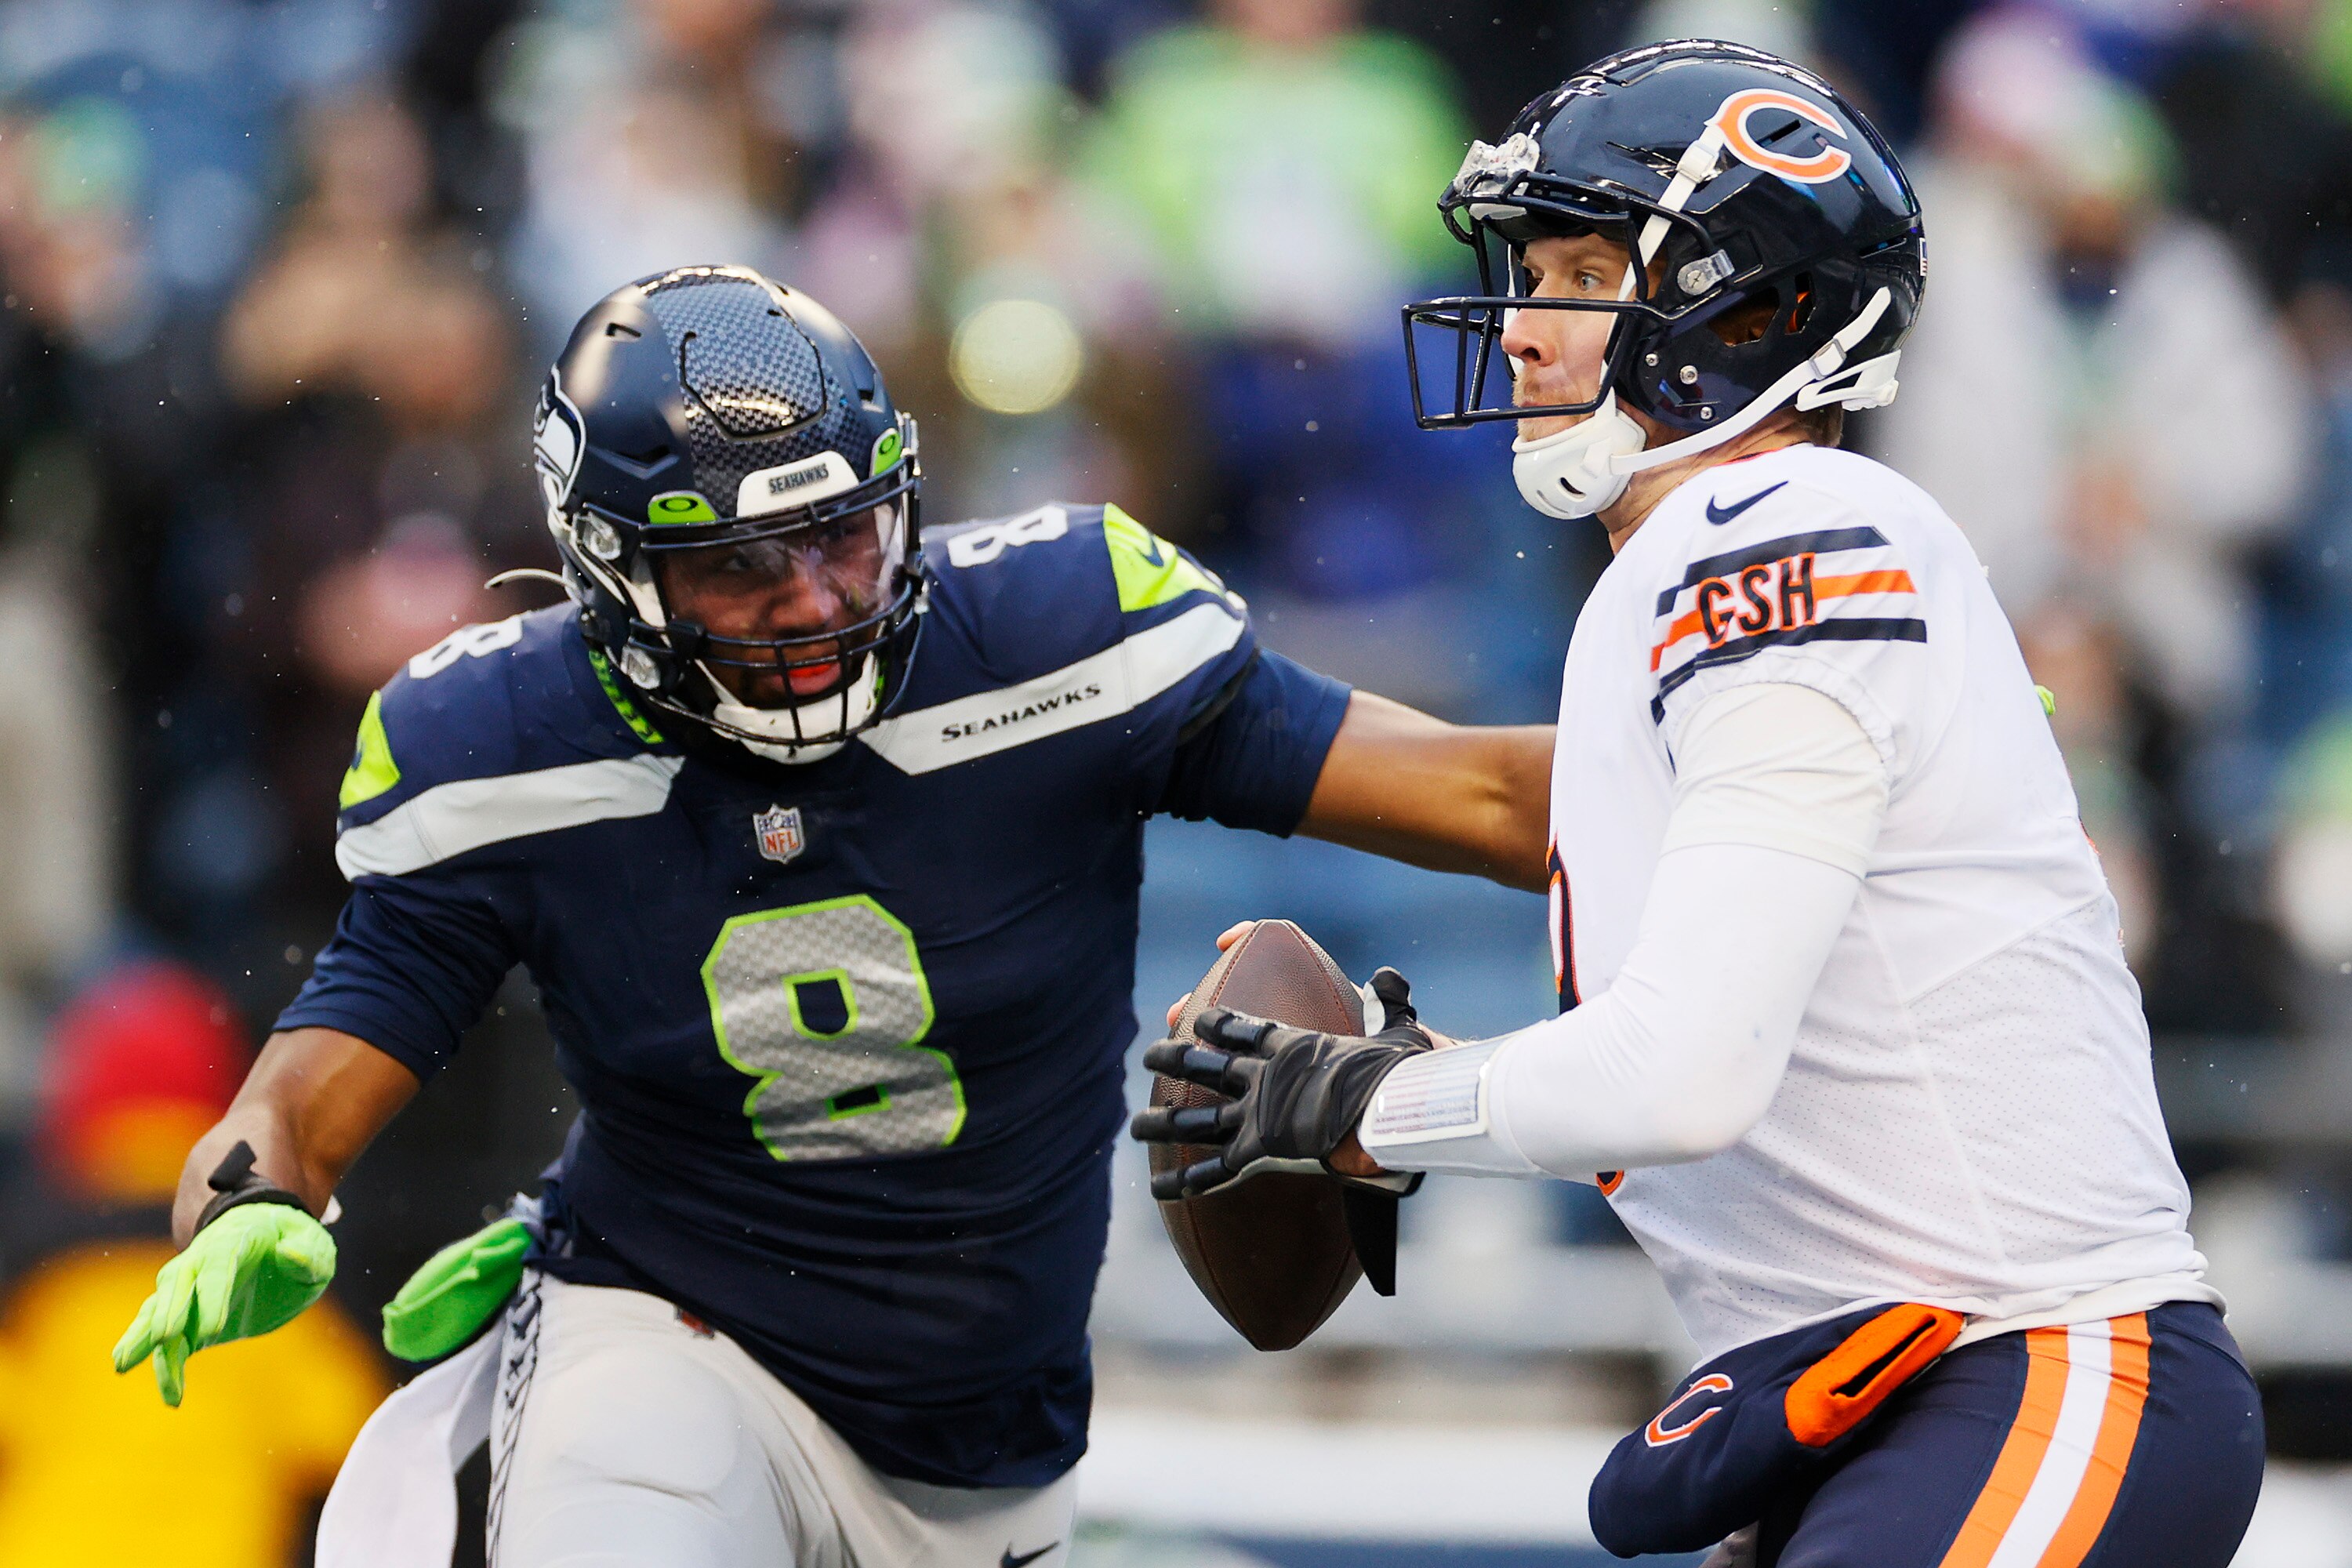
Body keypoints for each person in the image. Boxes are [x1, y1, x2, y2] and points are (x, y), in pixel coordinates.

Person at [109, 263, 1553, 1568]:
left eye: (844, 537)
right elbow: (310, 1078)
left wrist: (1751, 786)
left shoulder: (1061, 634)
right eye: (737, 563)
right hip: (676, 1342)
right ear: (612, 565)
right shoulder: (501, 740)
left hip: (997, 1442)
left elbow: (1494, 802)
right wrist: (250, 1203)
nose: (810, 600)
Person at [1138, 42, 2263, 1568]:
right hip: (1877, 1393)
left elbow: (1684, 1072)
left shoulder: (1787, 529)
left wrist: (1365, 1106)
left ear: (1755, 311)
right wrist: (1431, 1059)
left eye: (1581, 270)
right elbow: (1610, 885)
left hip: (2028, 1362)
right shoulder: (1713, 564)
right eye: (1527, 269)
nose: (1526, 328)